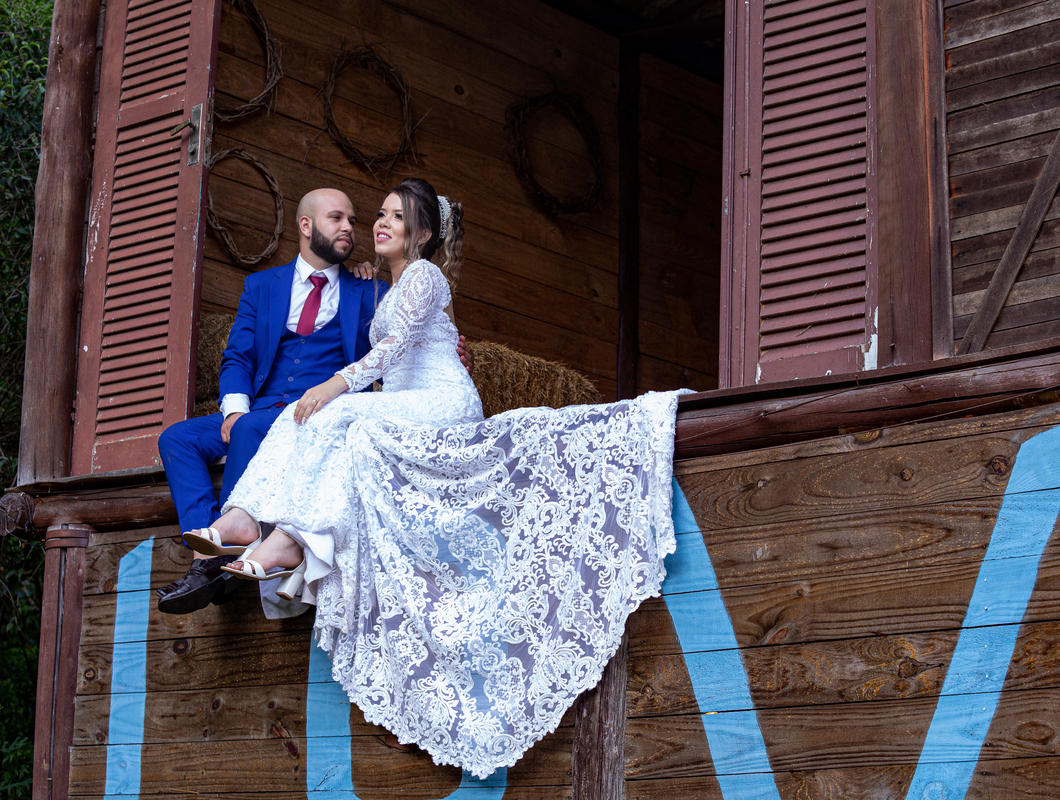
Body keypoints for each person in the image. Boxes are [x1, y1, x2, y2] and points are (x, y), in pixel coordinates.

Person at [182, 178, 682, 779]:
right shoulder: (388, 284)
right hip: (406, 401)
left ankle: (282, 538)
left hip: (442, 401)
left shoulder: (425, 276)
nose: (380, 223)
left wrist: (335, 384)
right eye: (381, 213)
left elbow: (394, 351)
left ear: (421, 234)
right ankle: (250, 521)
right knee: (309, 420)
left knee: (334, 413)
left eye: (396, 217)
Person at [154, 187, 470, 614]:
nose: (351, 228)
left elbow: (406, 343)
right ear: (306, 225)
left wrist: (457, 352)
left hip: (316, 406)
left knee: (255, 428)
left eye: (353, 220)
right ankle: (211, 541)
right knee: (177, 439)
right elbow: (238, 355)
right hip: (263, 405)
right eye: (337, 218)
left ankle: (212, 564)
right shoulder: (261, 285)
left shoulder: (371, 290)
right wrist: (234, 408)